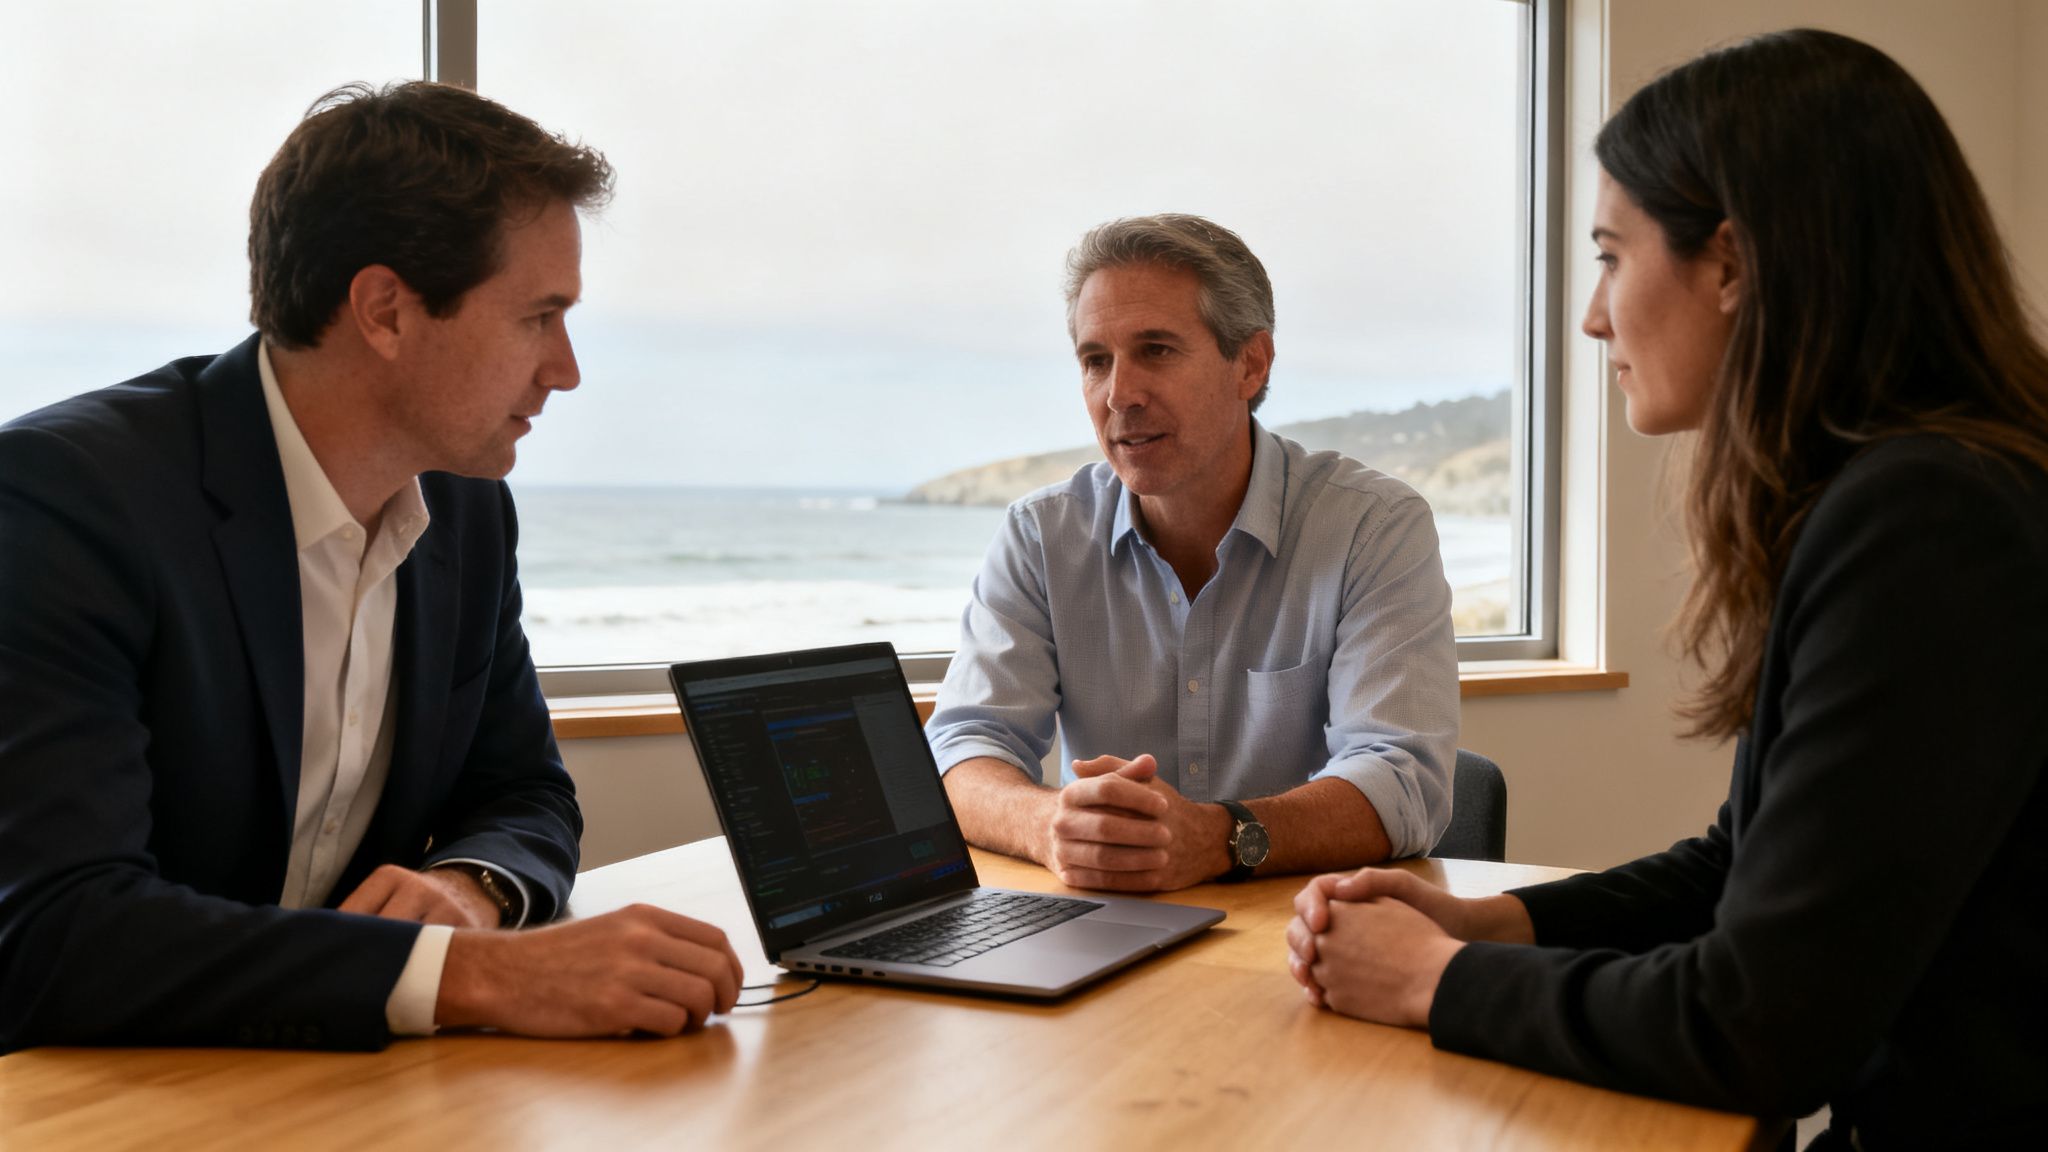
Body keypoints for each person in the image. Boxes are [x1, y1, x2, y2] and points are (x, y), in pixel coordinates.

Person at [1285, 29, 2048, 1149]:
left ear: (1731, 264)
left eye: (1608, 254)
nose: (1593, 316)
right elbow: (1739, 862)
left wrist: (1430, 983)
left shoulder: (1928, 523)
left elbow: (1759, 1024)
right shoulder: (1930, 489)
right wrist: (1484, 924)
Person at [0, 81, 743, 1052]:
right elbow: (57, 931)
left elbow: (523, 794)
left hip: (338, 1085)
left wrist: (467, 893)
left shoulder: (469, 512)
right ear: (386, 311)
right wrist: (470, 976)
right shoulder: (65, 500)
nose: (565, 369)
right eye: (538, 316)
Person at [926, 213, 1458, 893]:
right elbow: (964, 747)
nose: (1120, 394)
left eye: (1156, 350)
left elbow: (1403, 778)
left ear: (1251, 363)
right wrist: (1048, 825)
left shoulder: (1374, 527)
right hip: (1105, 934)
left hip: (1310, 932)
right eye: (1096, 361)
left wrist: (1216, 838)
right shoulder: (1041, 536)